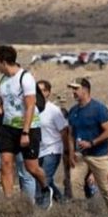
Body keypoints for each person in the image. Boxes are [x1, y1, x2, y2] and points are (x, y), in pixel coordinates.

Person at [0, 44, 48, 205]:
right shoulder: (3, 80)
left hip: (28, 127)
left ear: (4, 62)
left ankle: (45, 187)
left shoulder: (26, 78)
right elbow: (5, 103)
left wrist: (25, 133)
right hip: (8, 127)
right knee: (6, 163)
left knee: (32, 168)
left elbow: (30, 105)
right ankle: (9, 203)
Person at [66, 79, 108, 213]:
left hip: (99, 155)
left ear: (85, 89)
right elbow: (70, 134)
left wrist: (92, 143)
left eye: (76, 89)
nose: (73, 92)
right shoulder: (73, 111)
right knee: (75, 184)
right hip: (80, 156)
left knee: (106, 189)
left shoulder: (98, 108)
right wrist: (71, 153)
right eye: (72, 89)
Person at [34, 79, 71, 207]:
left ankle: (41, 209)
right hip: (38, 150)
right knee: (43, 179)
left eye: (44, 90)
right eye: (38, 90)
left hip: (53, 149)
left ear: (48, 92)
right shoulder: (32, 109)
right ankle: (62, 202)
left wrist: (66, 151)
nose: (40, 93)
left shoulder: (54, 111)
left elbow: (64, 131)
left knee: (44, 179)